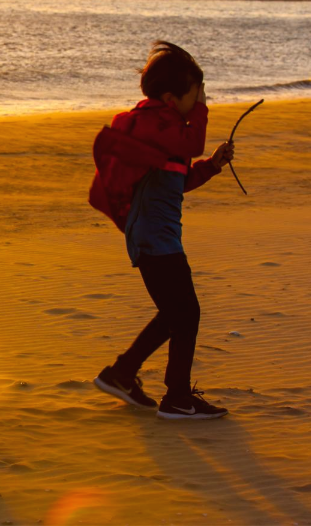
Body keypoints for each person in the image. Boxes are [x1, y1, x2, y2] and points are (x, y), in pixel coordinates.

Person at [88, 41, 235, 419]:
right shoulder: (153, 123)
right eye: (196, 94)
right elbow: (194, 142)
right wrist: (202, 111)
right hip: (154, 237)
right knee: (185, 312)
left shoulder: (166, 130)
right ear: (171, 99)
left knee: (176, 313)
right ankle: (177, 397)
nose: (201, 101)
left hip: (158, 235)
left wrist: (212, 166)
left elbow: (177, 180)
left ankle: (122, 374)